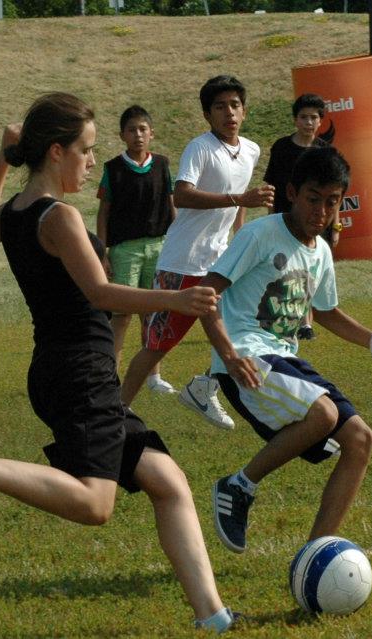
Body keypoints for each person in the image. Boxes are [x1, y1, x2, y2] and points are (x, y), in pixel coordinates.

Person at [0, 93, 237, 633]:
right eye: (84, 150)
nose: (89, 161)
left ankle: (213, 617)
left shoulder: (15, 213)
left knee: (168, 481)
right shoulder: (57, 217)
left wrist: (0, 158)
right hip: (80, 372)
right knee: (95, 503)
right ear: (56, 152)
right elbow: (101, 293)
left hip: (66, 370)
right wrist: (175, 300)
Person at [196, 146, 372, 554]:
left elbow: (325, 312)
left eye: (332, 202)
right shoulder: (259, 234)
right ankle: (239, 485)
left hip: (283, 359)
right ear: (291, 192)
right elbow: (205, 295)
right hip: (247, 358)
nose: (321, 212)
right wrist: (228, 356)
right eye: (313, 199)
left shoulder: (320, 251)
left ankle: (316, 553)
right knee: (324, 413)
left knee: (360, 439)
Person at [120, 75, 274, 430]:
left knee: (241, 331)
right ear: (207, 114)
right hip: (183, 261)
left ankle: (205, 387)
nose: (229, 113)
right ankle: (115, 411)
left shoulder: (250, 149)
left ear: (245, 111)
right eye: (220, 107)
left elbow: (239, 207)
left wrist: (239, 243)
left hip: (221, 261)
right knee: (158, 346)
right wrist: (240, 199)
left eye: (235, 105)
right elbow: (182, 195)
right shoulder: (200, 148)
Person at [96, 105, 176, 394]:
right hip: (124, 250)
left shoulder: (163, 165)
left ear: (151, 133)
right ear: (122, 135)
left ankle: (153, 377)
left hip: (159, 246)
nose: (138, 135)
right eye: (132, 129)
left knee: (152, 313)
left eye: (143, 129)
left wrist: (177, 240)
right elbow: (103, 211)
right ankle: (109, 378)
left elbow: (171, 204)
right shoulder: (112, 168)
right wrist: (103, 252)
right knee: (121, 315)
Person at [263, 93, 338, 341]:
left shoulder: (326, 152)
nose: (308, 122)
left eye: (313, 117)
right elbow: (272, 187)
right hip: (286, 221)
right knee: (286, 272)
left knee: (311, 273)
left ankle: (305, 323)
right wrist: (270, 218)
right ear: (295, 120)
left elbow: (335, 193)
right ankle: (291, 320)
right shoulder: (282, 148)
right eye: (303, 117)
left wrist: (335, 225)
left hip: (318, 222)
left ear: (320, 121)